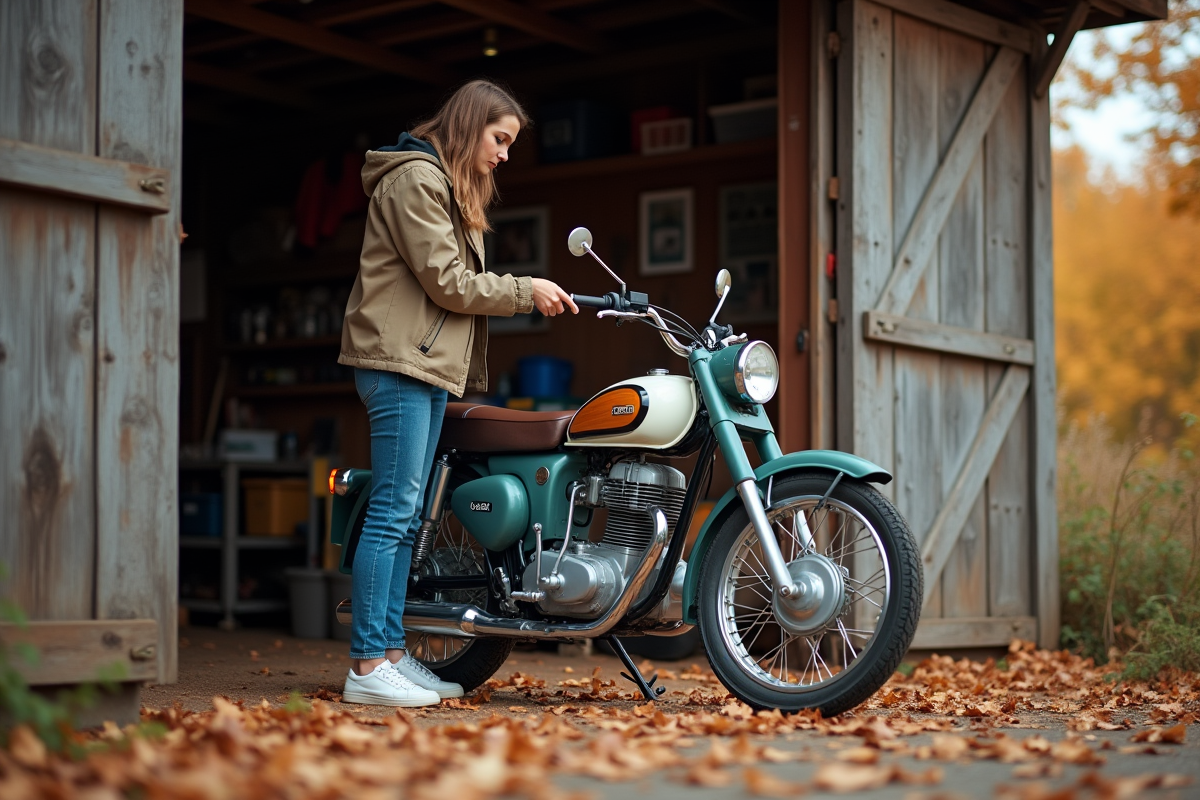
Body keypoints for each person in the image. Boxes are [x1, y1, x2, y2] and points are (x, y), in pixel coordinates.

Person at [337, 80, 578, 706]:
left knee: (410, 513)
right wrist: (527, 289)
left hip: (419, 367)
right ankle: (367, 666)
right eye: (500, 140)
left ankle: (390, 652)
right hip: (399, 366)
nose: (503, 155)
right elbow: (448, 282)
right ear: (470, 126)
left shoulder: (438, 184)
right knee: (394, 512)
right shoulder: (415, 180)